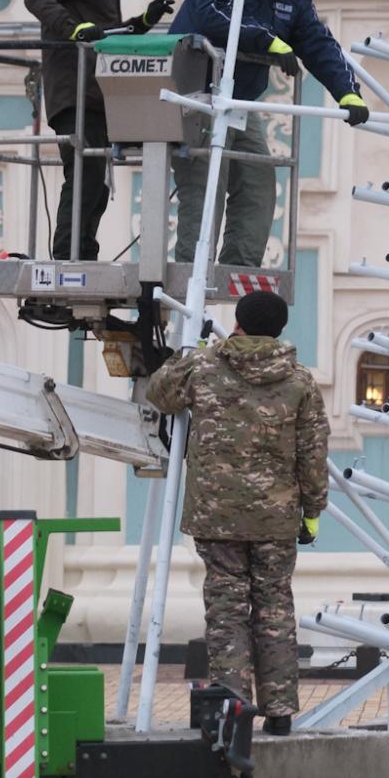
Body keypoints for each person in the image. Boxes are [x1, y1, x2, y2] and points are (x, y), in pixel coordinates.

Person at [145, 290, 329, 734]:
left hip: (217, 516)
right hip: (277, 518)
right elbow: (313, 455)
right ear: (281, 328)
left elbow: (158, 394)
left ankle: (233, 712)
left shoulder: (204, 366)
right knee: (274, 608)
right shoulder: (300, 381)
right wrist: (312, 512)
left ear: (239, 322)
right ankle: (281, 713)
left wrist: (186, 353)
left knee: (226, 611)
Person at [170, 0, 369, 267]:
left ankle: (239, 266)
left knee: (259, 181)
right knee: (205, 184)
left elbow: (318, 45)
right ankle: (192, 269)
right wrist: (266, 40)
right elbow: (211, 14)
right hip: (195, 95)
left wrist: (347, 92)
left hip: (238, 103)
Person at [23, 0, 176, 261]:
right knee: (85, 176)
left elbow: (103, 34)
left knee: (94, 180)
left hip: (91, 91)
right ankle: (69, 257)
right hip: (75, 90)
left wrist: (143, 22)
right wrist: (73, 30)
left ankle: (81, 254)